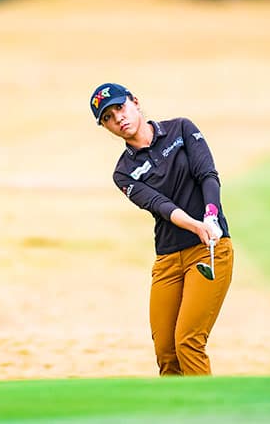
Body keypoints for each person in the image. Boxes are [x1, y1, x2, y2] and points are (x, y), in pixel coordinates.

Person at [90, 82, 233, 376]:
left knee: (188, 342)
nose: (118, 118)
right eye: (107, 117)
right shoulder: (123, 172)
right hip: (168, 259)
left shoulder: (181, 130)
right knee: (166, 352)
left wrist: (211, 214)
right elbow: (160, 205)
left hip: (208, 252)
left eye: (120, 107)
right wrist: (194, 224)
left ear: (135, 102)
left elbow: (207, 174)